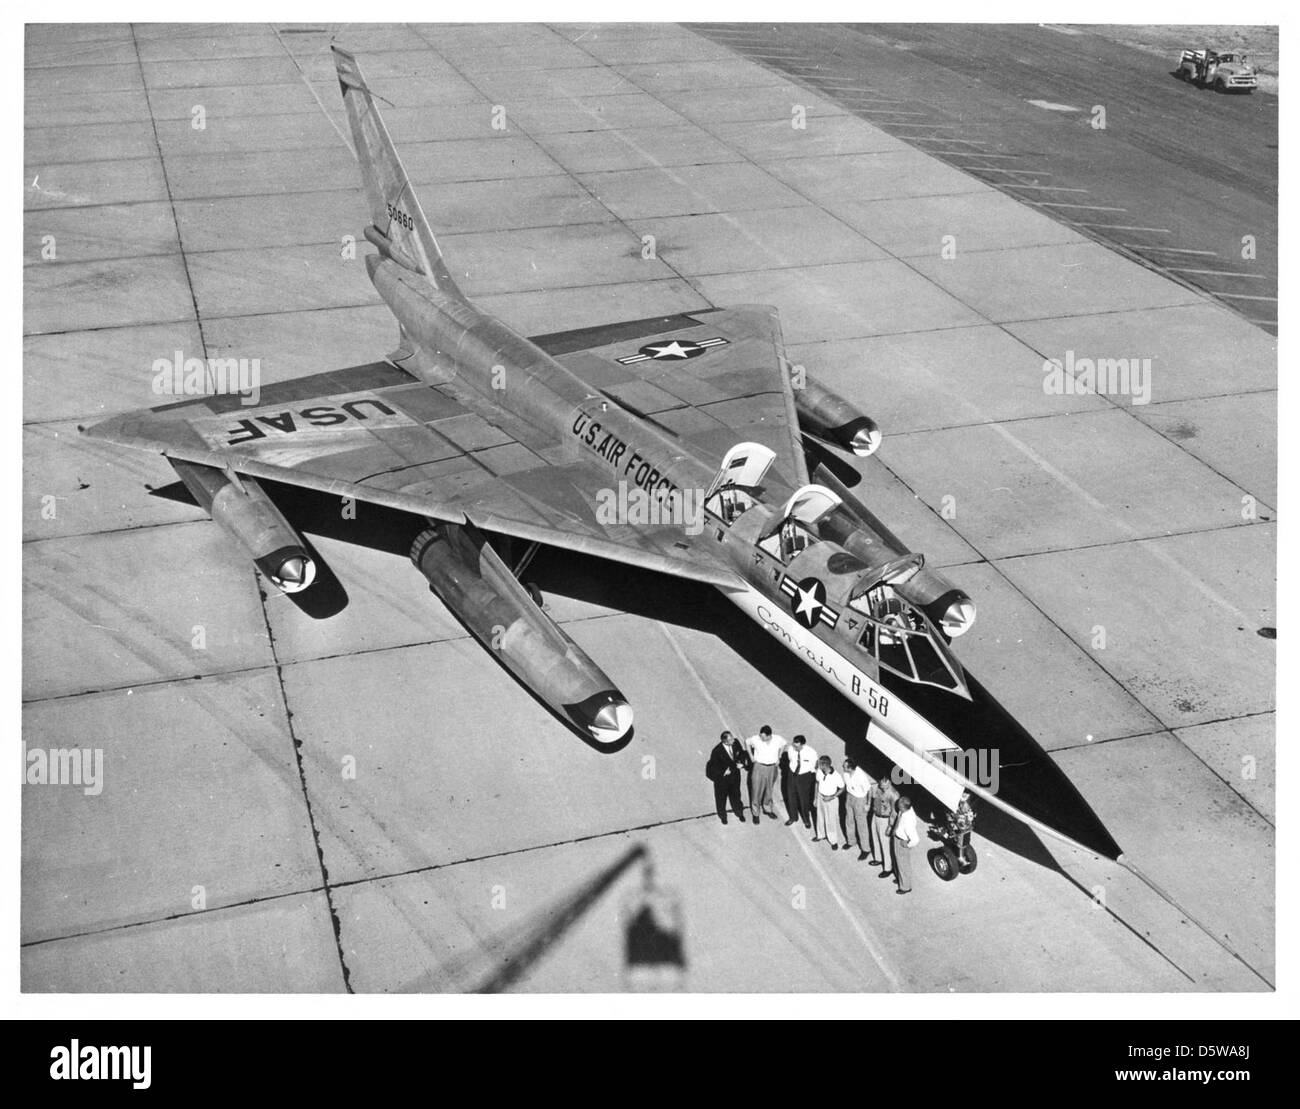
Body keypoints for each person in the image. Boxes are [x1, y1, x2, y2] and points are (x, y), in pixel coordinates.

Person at [706, 731, 750, 825]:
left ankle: (739, 813)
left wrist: (741, 763)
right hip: (723, 781)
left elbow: (741, 753)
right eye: (731, 740)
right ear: (725, 742)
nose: (733, 740)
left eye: (733, 738)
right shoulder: (717, 752)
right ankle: (723, 816)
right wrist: (723, 772)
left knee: (736, 796)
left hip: (734, 778)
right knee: (721, 799)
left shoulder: (735, 743)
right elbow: (711, 768)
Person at [746, 725, 786, 823]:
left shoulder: (777, 739)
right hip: (759, 767)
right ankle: (755, 813)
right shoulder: (755, 739)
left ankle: (767, 809)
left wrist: (779, 756)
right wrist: (751, 756)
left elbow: (784, 744)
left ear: (769, 736)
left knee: (769, 789)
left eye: (763, 737)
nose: (761, 738)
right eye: (760, 736)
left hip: (772, 767)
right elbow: (747, 742)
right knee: (756, 790)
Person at [842, 757, 874, 860]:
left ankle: (866, 849)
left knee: (861, 825)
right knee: (849, 820)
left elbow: (869, 790)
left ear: (850, 768)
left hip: (860, 800)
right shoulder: (846, 774)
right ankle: (851, 841)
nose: (843, 767)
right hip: (850, 796)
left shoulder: (861, 776)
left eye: (845, 766)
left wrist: (868, 803)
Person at [868, 775, 900, 875]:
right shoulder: (877, 788)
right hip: (876, 815)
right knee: (875, 838)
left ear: (889, 783)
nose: (883, 788)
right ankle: (878, 858)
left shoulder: (893, 794)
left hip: (885, 819)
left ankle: (888, 868)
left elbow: (894, 813)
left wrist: (890, 826)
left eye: (885, 786)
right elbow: (871, 794)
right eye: (882, 786)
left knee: (885, 843)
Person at [784, 734, 818, 828]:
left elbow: (814, 766)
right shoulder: (791, 749)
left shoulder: (811, 752)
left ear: (803, 744)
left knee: (804, 799)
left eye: (797, 747)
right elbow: (791, 759)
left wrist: (810, 779)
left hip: (804, 776)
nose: (795, 748)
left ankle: (806, 820)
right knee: (791, 796)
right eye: (794, 745)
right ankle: (793, 817)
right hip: (792, 774)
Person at [813, 756, 845, 849]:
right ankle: (821, 835)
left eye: (820, 764)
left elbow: (842, 788)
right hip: (820, 796)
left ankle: (833, 841)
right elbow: (817, 783)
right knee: (820, 817)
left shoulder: (836, 776)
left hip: (831, 799)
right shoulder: (819, 772)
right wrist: (815, 798)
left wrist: (832, 797)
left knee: (831, 820)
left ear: (825, 765)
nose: (818, 766)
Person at [892, 796, 921, 894]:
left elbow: (915, 839)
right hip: (897, 838)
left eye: (899, 805)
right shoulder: (906, 811)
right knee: (898, 861)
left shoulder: (908, 820)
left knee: (903, 864)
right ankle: (901, 878)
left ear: (903, 807)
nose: (897, 805)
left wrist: (907, 844)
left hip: (902, 842)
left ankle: (905, 886)